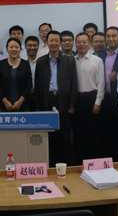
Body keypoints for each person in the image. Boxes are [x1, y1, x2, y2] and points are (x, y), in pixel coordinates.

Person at [35, 31, 78, 166]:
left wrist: (72, 103)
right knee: (50, 134)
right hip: (47, 100)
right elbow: (38, 85)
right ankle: (51, 163)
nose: (54, 43)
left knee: (64, 134)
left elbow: (74, 83)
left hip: (63, 101)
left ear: (60, 43)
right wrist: (38, 106)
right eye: (51, 41)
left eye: (56, 41)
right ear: (46, 43)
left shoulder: (69, 60)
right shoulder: (41, 61)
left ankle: (67, 163)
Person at [98, 26, 118, 161]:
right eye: (108, 36)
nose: (111, 39)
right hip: (104, 99)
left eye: (114, 36)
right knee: (106, 132)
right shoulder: (100, 55)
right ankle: (108, 160)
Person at [73, 32, 105, 161]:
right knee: (78, 132)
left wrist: (98, 102)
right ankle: (80, 160)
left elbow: (101, 83)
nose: (81, 44)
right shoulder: (72, 60)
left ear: (89, 44)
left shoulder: (96, 60)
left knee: (93, 132)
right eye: (79, 42)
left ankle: (94, 160)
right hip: (77, 100)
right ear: (75, 44)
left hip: (91, 99)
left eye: (84, 42)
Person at [0, 38, 32, 112]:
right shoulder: (1, 64)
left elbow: (29, 84)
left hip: (23, 105)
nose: (14, 49)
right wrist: (5, 101)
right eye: (11, 47)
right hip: (4, 105)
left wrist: (20, 101)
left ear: (20, 49)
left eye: (16, 47)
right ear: (7, 49)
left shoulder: (25, 64)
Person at [25, 36, 40, 111]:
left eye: (35, 45)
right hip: (24, 96)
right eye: (29, 45)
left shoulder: (42, 61)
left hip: (40, 95)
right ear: (25, 47)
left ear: (38, 46)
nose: (32, 48)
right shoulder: (21, 61)